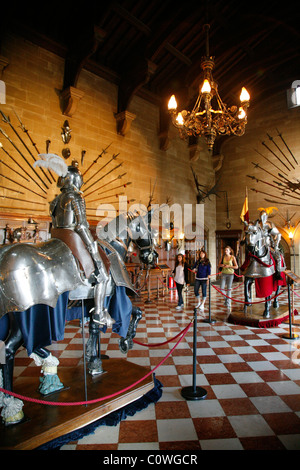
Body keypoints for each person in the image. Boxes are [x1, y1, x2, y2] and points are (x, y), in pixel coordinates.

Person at [49, 160, 113, 326]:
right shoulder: (76, 197)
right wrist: (92, 246)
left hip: (57, 240)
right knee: (103, 275)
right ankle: (99, 313)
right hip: (73, 241)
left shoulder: (56, 201)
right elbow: (82, 225)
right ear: (75, 180)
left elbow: (55, 223)